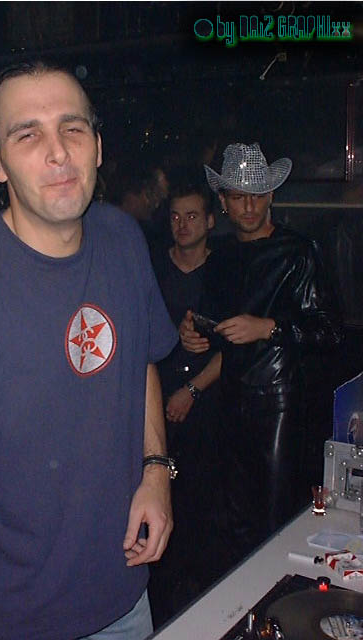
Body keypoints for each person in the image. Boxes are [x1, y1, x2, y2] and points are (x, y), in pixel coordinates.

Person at [0, 60, 178, 640]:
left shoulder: (122, 239)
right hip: (10, 617)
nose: (58, 152)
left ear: (97, 146)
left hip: (123, 598)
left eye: (72, 128)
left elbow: (139, 355)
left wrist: (155, 470)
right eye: (28, 135)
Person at [180, 142, 342, 559]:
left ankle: (278, 594)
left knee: (273, 517)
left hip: (279, 401)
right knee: (233, 520)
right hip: (230, 398)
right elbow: (212, 324)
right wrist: (193, 332)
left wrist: (268, 327)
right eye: (238, 196)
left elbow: (329, 332)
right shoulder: (221, 258)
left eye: (256, 195)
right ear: (224, 202)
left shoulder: (298, 251)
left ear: (271, 196)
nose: (249, 206)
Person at [149, 175, 227, 624]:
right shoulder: (154, 268)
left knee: (204, 512)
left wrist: (193, 389)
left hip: (208, 405)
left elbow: (238, 346)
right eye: (176, 216)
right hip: (156, 404)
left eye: (192, 216)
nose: (182, 225)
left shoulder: (225, 269)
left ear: (210, 221)